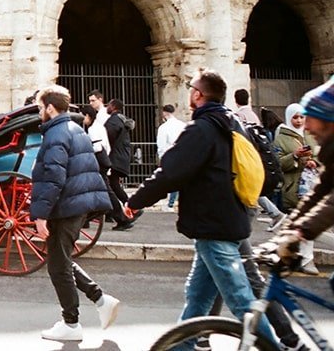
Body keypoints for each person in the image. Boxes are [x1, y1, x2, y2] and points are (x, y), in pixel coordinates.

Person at [125, 69, 279, 348]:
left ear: (198, 94)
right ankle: (180, 346)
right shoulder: (231, 122)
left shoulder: (202, 129)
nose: (189, 92)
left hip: (214, 224)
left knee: (242, 301)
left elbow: (170, 172)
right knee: (197, 298)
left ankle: (274, 347)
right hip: (231, 216)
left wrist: (135, 202)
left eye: (192, 88)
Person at [30, 85, 117, 341]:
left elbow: (54, 177)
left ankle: (71, 323)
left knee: (57, 267)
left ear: (50, 107)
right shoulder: (77, 129)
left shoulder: (56, 134)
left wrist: (42, 214)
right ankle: (102, 301)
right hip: (75, 204)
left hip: (65, 207)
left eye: (40, 107)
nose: (39, 113)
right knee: (62, 259)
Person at [273, 75, 334, 293]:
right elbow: (317, 194)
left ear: (328, 119)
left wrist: (301, 233)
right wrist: (286, 232)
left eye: (310, 118)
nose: (305, 127)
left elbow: (331, 205)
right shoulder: (330, 152)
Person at [273, 102, 318, 274]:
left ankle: (307, 260)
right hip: (292, 187)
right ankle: (289, 257)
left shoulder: (311, 134)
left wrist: (315, 162)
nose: (299, 121)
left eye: (301, 117)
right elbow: (278, 163)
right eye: (295, 117)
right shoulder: (281, 137)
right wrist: (295, 156)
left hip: (311, 186)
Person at [104, 99, 132, 214]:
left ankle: (130, 206)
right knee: (113, 185)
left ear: (114, 106)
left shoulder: (113, 121)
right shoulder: (121, 120)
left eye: (109, 105)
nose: (107, 106)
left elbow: (107, 139)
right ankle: (113, 212)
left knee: (112, 185)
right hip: (121, 157)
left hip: (115, 157)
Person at [156, 104, 186, 209]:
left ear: (164, 113)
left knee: (172, 179)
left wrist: (161, 158)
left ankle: (171, 203)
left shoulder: (163, 128)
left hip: (170, 155)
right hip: (183, 154)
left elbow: (161, 145)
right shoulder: (182, 125)